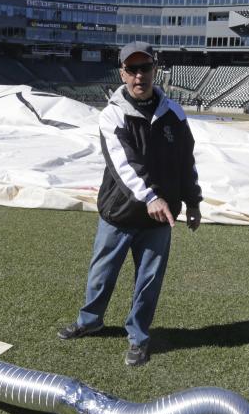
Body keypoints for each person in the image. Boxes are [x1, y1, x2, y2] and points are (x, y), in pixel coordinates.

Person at [57, 41, 202, 367]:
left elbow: (186, 163)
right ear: (122, 73)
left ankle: (138, 337)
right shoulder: (112, 115)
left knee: (148, 282)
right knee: (101, 273)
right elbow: (125, 165)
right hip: (119, 214)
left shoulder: (174, 114)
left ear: (155, 70)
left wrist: (193, 202)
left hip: (158, 220)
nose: (140, 76)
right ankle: (90, 320)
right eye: (132, 69)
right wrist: (151, 196)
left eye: (145, 68)